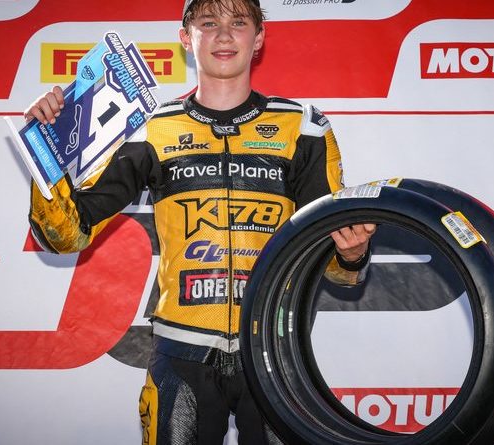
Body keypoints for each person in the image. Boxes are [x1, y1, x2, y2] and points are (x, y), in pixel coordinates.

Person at [24, 0, 375, 443]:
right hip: (181, 352)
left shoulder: (303, 128)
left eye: (238, 22)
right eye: (209, 23)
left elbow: (334, 264)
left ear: (259, 38)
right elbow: (66, 234)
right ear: (186, 39)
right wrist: (45, 143)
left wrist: (351, 254)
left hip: (274, 352)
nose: (224, 35)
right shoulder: (152, 128)